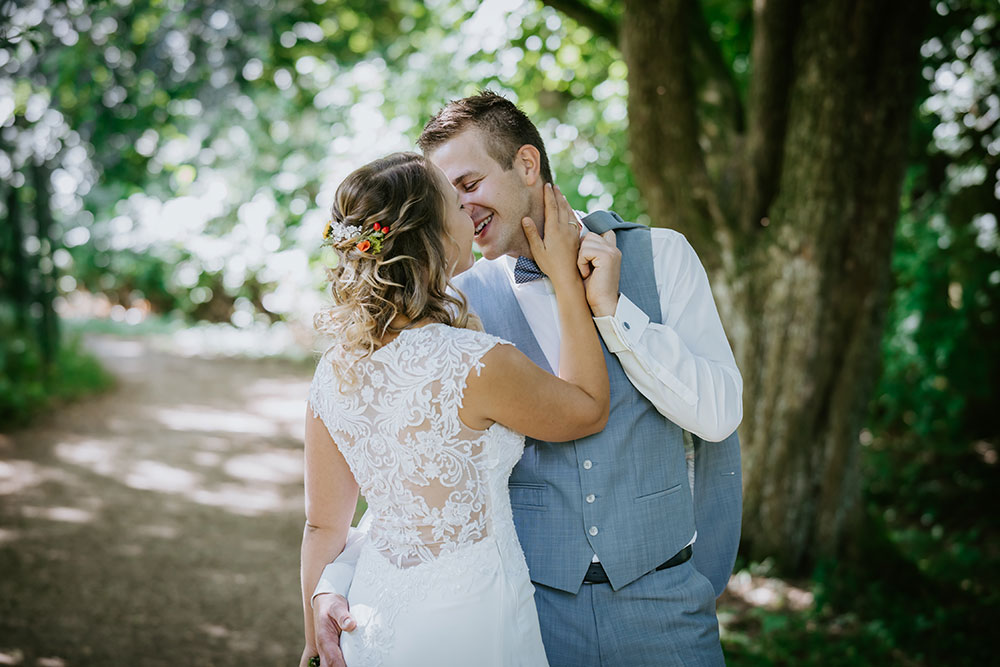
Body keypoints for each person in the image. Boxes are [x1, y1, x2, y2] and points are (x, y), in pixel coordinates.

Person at [314, 92, 744, 666]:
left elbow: (719, 416)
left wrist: (615, 312)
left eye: (467, 184)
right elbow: (420, 473)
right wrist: (335, 577)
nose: (460, 210)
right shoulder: (457, 305)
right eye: (446, 196)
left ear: (525, 164)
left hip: (663, 603)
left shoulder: (662, 256)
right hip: (530, 612)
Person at [301, 151, 612, 667]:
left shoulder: (333, 371)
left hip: (371, 619)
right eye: (454, 202)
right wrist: (566, 283)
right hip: (471, 618)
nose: (469, 214)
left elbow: (322, 527)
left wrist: (314, 641)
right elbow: (587, 409)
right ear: (433, 236)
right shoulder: (479, 362)